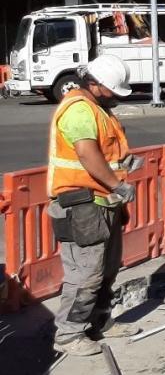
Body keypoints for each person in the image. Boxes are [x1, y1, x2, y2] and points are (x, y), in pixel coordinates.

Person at [47, 56, 142, 356]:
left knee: (106, 269)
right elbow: (87, 155)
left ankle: (100, 321)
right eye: (114, 90)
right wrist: (117, 184)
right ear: (95, 85)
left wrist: (124, 164)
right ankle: (68, 334)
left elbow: (105, 151)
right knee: (85, 274)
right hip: (81, 204)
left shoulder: (99, 109)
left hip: (102, 203)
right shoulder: (79, 110)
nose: (117, 96)